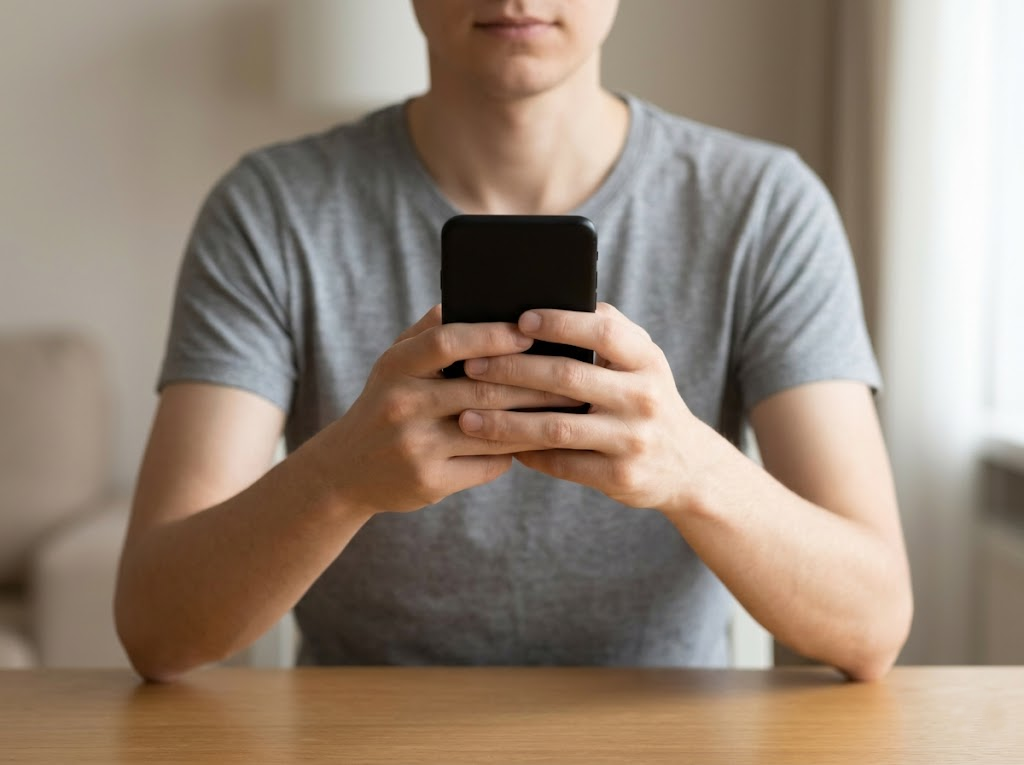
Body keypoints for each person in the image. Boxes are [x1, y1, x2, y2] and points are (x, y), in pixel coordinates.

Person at [115, 0, 912, 682]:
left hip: (661, 739)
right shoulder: (271, 211)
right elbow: (155, 627)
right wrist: (342, 477)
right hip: (360, 742)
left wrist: (689, 466)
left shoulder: (765, 209)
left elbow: (874, 623)